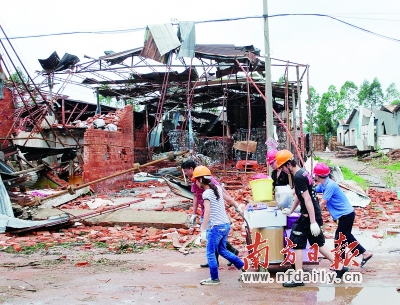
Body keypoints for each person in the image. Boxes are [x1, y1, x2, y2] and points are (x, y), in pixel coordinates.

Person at [275, 150, 347, 287]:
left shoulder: (298, 177)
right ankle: (340, 266)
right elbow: (299, 195)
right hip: (314, 213)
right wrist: (290, 211)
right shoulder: (304, 172)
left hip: (308, 216)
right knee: (319, 243)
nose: (283, 170)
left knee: (296, 243)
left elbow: (307, 199)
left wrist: (313, 221)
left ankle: (298, 277)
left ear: (288, 164)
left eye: (283, 167)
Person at [181, 160, 242, 268]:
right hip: (219, 220)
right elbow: (196, 196)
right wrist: (194, 213)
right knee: (218, 246)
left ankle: (215, 273)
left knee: (212, 244)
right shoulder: (201, 184)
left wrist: (203, 229)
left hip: (213, 216)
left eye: (185, 171)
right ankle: (236, 261)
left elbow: (220, 196)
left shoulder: (207, 191)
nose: (185, 174)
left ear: (200, 179)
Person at [191, 165, 245, 285]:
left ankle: (214, 278)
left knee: (210, 252)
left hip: (216, 227)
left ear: (200, 180)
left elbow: (207, 212)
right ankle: (243, 268)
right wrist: (238, 207)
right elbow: (229, 200)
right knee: (222, 250)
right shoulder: (217, 189)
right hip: (225, 225)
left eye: (196, 180)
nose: (196, 183)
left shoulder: (206, 194)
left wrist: (203, 230)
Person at [314, 163, 373, 267]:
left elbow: (323, 203)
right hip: (345, 215)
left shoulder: (330, 185)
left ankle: (340, 264)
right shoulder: (324, 184)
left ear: (317, 176)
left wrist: (312, 213)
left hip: (346, 215)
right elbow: (314, 189)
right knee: (348, 237)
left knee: (339, 239)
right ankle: (365, 254)